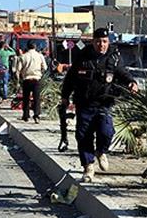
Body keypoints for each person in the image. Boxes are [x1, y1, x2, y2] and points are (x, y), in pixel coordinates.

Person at [61, 28, 138, 183]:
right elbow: (70, 78)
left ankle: (101, 152)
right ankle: (88, 167)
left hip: (104, 103)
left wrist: (132, 82)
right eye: (98, 41)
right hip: (84, 103)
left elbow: (123, 73)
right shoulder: (83, 57)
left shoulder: (114, 57)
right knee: (84, 136)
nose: (101, 45)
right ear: (93, 41)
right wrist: (65, 96)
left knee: (106, 131)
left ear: (108, 42)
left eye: (104, 41)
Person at [17, 41, 47, 123]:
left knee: (26, 98)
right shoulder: (40, 56)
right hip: (36, 79)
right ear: (35, 47)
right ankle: (36, 115)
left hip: (26, 79)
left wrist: (19, 79)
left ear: (27, 47)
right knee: (36, 98)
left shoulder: (23, 56)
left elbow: (18, 69)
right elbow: (45, 67)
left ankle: (26, 115)